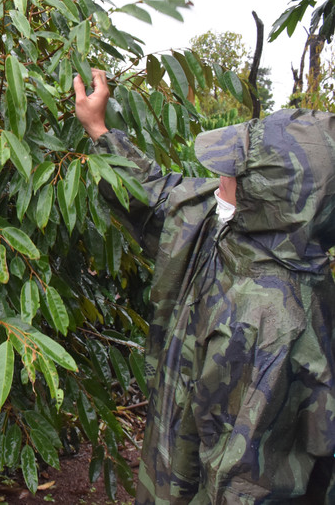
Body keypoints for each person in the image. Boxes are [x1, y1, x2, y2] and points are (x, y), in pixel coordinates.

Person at [74, 70, 335, 503]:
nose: (220, 177)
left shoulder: (273, 321)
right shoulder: (229, 228)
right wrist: (100, 130)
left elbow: (244, 484)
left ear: (269, 196)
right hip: (172, 462)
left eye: (235, 170)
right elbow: (158, 197)